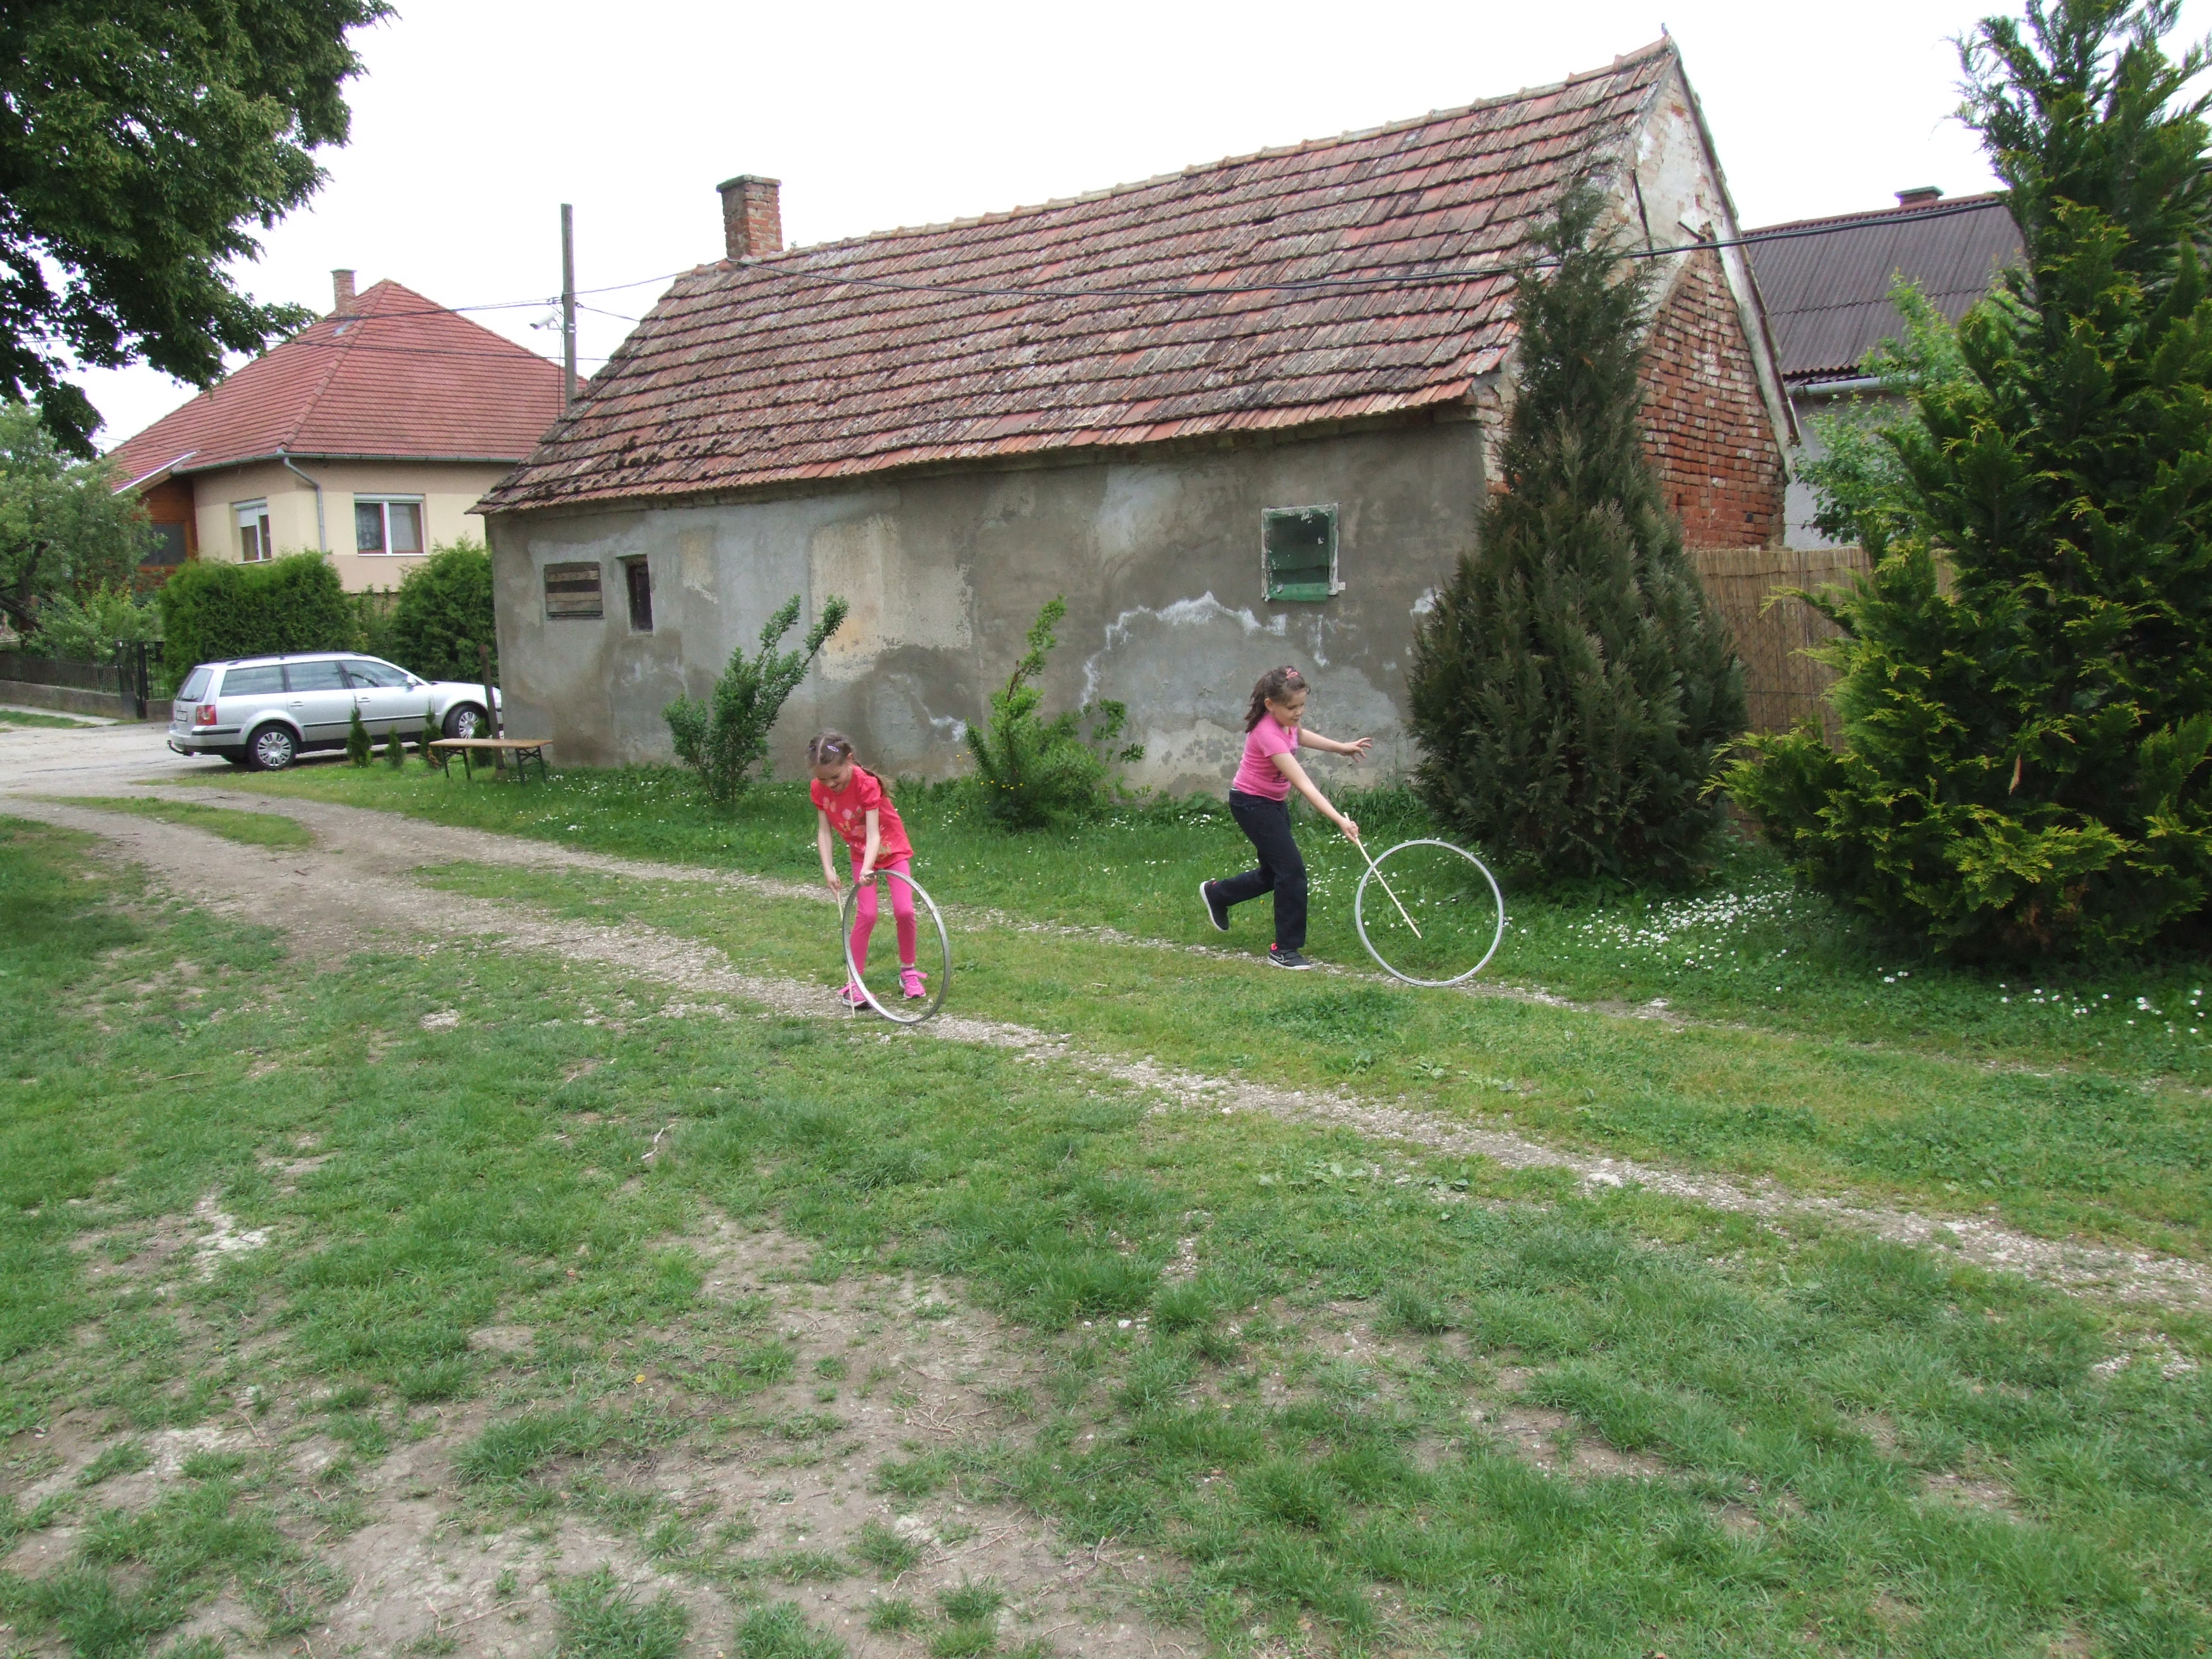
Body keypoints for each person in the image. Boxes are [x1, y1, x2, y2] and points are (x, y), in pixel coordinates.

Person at [1200, 666, 1370, 969]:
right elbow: (1305, 784)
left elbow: (1300, 735)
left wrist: (1341, 748)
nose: (1298, 712)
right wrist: (1339, 820)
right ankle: (1285, 949)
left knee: (1274, 873)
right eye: (1292, 707)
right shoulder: (1267, 734)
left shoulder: (1286, 723)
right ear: (1270, 705)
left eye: (1302, 705)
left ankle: (1218, 894)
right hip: (1252, 805)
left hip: (1272, 804)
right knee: (1291, 872)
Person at [809, 731, 926, 1006]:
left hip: (891, 849)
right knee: (867, 914)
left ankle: (908, 972)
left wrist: (869, 867)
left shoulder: (866, 784)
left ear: (849, 760)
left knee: (905, 911)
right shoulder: (819, 788)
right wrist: (828, 868)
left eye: (835, 777)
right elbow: (824, 832)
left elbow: (875, 834)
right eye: (823, 779)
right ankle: (854, 982)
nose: (830, 784)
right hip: (860, 853)